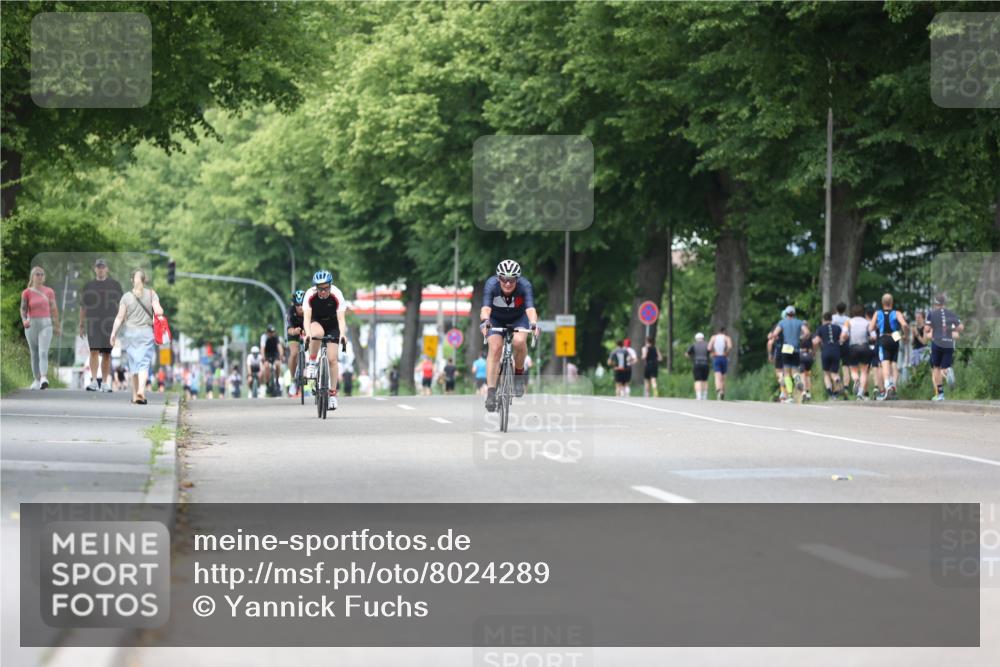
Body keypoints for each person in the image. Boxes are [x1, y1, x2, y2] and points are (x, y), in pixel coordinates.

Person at [479, 259, 539, 412]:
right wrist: (486, 321)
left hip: (519, 319)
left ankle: (518, 375)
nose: (507, 283)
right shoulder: (491, 285)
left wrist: (533, 323)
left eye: (511, 279)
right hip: (495, 319)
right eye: (504, 279)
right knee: (495, 347)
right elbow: (485, 309)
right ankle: (491, 393)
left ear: (517, 279)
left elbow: (530, 309)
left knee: (519, 342)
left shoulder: (524, 286)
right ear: (498, 278)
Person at [109, 269, 162, 405]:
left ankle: (135, 396)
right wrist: (158, 311)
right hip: (146, 332)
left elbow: (119, 317)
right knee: (144, 363)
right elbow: (158, 311)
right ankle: (141, 392)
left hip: (130, 333)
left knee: (134, 364)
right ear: (144, 280)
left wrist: (113, 333)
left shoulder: (126, 297)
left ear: (132, 280)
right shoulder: (151, 294)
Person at [303, 269, 349, 411]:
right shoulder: (309, 295)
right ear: (315, 287)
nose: (323, 292)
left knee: (332, 359)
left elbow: (341, 319)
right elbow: (306, 318)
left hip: (333, 324)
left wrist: (342, 334)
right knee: (317, 333)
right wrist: (308, 334)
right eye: (320, 289)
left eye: (326, 288)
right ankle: (312, 362)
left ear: (330, 285)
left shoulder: (337, 294)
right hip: (317, 322)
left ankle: (333, 394)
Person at [79, 258, 123, 392]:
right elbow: (83, 307)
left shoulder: (115, 285)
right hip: (93, 323)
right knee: (93, 351)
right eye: (98, 267)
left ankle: (104, 382)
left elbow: (121, 305)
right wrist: (81, 324)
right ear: (95, 269)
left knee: (107, 354)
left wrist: (120, 322)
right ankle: (93, 381)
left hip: (109, 324)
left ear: (107, 269)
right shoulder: (88, 286)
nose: (101, 269)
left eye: (103, 267)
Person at [20, 266, 60, 390]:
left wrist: (57, 325)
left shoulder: (49, 291)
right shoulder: (26, 292)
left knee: (43, 351)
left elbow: (54, 309)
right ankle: (36, 380)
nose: (40, 276)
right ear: (32, 276)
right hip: (31, 324)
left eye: (42, 274)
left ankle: (43, 377)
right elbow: (23, 309)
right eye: (37, 274)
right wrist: (24, 320)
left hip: (46, 323)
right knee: (34, 353)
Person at [869, 293, 908, 400]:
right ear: (892, 302)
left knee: (885, 362)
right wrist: (905, 335)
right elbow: (904, 325)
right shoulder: (897, 313)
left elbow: (871, 328)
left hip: (883, 337)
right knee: (894, 363)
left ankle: (887, 386)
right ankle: (894, 386)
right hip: (895, 336)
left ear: (882, 303)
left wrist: (876, 325)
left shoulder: (877, 313)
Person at [924, 294, 963, 401]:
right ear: (944, 303)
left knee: (936, 368)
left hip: (937, 342)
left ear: (935, 304)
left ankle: (940, 394)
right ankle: (948, 371)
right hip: (949, 343)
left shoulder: (932, 314)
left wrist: (932, 329)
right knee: (945, 367)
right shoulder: (951, 313)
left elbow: (927, 329)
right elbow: (960, 328)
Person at [769, 306, 810, 403]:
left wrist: (773, 337)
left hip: (786, 348)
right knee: (795, 371)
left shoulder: (782, 322)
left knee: (786, 372)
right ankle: (798, 381)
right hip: (796, 348)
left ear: (786, 314)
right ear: (794, 314)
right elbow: (807, 332)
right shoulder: (799, 322)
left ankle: (790, 395)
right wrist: (801, 338)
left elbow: (775, 334)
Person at [842, 304, 873, 400]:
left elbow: (844, 335)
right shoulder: (867, 322)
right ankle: (861, 393)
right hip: (864, 347)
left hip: (853, 348)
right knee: (864, 371)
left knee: (853, 370)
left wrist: (845, 338)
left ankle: (856, 380)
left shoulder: (848, 322)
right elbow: (873, 335)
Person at [813, 312, 843, 399]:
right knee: (834, 372)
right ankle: (837, 381)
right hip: (836, 350)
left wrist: (814, 351)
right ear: (831, 319)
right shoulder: (837, 328)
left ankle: (830, 393)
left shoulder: (820, 329)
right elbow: (841, 339)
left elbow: (816, 341)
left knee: (826, 373)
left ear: (823, 319)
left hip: (825, 350)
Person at [286, 290, 306, 396]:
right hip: (293, 332)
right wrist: (294, 331)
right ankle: (293, 380)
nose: (300, 307)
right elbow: (289, 328)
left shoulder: (309, 310)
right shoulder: (290, 312)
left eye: (302, 304)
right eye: (297, 304)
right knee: (294, 354)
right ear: (294, 304)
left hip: (306, 331)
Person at [707, 327, 732, 400]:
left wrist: (713, 353)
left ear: (718, 331)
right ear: (724, 332)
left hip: (716, 357)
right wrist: (726, 352)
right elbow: (730, 346)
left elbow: (709, 348)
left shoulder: (713, 337)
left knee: (717, 376)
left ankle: (719, 390)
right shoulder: (726, 338)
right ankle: (723, 391)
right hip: (724, 358)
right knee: (724, 377)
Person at [259, 324, 284, 396]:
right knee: (267, 367)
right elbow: (262, 348)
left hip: (275, 353)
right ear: (267, 332)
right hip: (267, 354)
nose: (272, 333)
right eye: (270, 332)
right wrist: (263, 357)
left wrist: (281, 355)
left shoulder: (276, 337)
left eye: (273, 332)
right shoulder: (264, 337)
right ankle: (267, 384)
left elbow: (279, 347)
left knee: (278, 364)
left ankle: (277, 380)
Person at [832, 302, 851, 392]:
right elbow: (848, 332)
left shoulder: (833, 318)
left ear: (836, 309)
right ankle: (846, 387)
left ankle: (837, 388)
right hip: (845, 342)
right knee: (845, 365)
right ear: (845, 310)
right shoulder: (848, 319)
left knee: (835, 366)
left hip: (835, 343)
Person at [686, 333, 710, 400]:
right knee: (705, 380)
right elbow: (711, 352)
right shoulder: (707, 344)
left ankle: (699, 396)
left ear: (696, 338)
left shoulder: (693, 345)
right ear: (703, 338)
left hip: (697, 363)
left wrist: (692, 357)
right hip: (705, 363)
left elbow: (687, 354)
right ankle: (705, 396)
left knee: (697, 380)